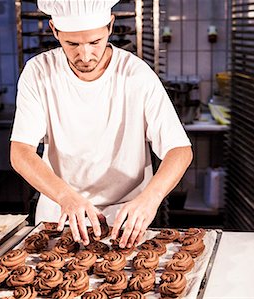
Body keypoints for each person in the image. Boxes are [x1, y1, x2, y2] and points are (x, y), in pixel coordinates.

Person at [10, 0, 192, 249]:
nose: (85, 56)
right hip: (60, 215)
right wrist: (65, 196)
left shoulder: (136, 74)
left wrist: (152, 197)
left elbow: (179, 150)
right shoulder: (39, 73)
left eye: (95, 42)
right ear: (54, 30)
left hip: (125, 221)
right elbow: (20, 153)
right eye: (72, 44)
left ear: (110, 27)